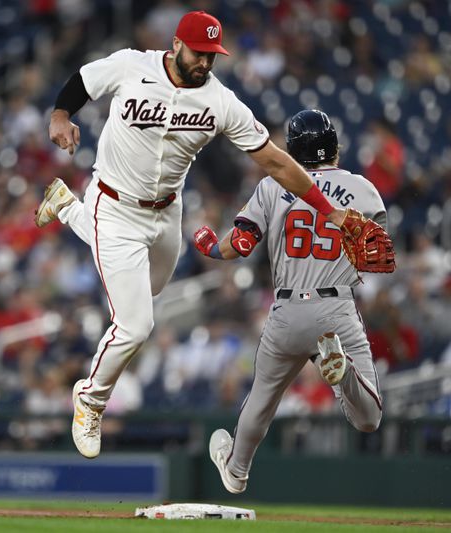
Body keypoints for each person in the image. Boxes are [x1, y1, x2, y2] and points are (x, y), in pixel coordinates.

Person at [35, 11, 354, 460]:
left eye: (213, 54)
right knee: (136, 324)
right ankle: (90, 398)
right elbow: (82, 82)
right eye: (200, 52)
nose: (206, 61)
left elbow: (277, 162)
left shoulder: (220, 102)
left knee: (152, 291)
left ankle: (67, 206)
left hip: (167, 214)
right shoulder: (133, 65)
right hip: (114, 204)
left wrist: (328, 209)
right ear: (177, 45)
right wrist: (61, 115)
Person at [193, 110, 389, 494]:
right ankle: (343, 370)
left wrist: (212, 248)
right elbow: (377, 254)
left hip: (287, 310)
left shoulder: (272, 186)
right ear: (334, 145)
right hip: (336, 307)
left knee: (263, 398)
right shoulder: (363, 189)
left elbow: (241, 244)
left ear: (293, 149)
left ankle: (237, 470)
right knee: (369, 419)